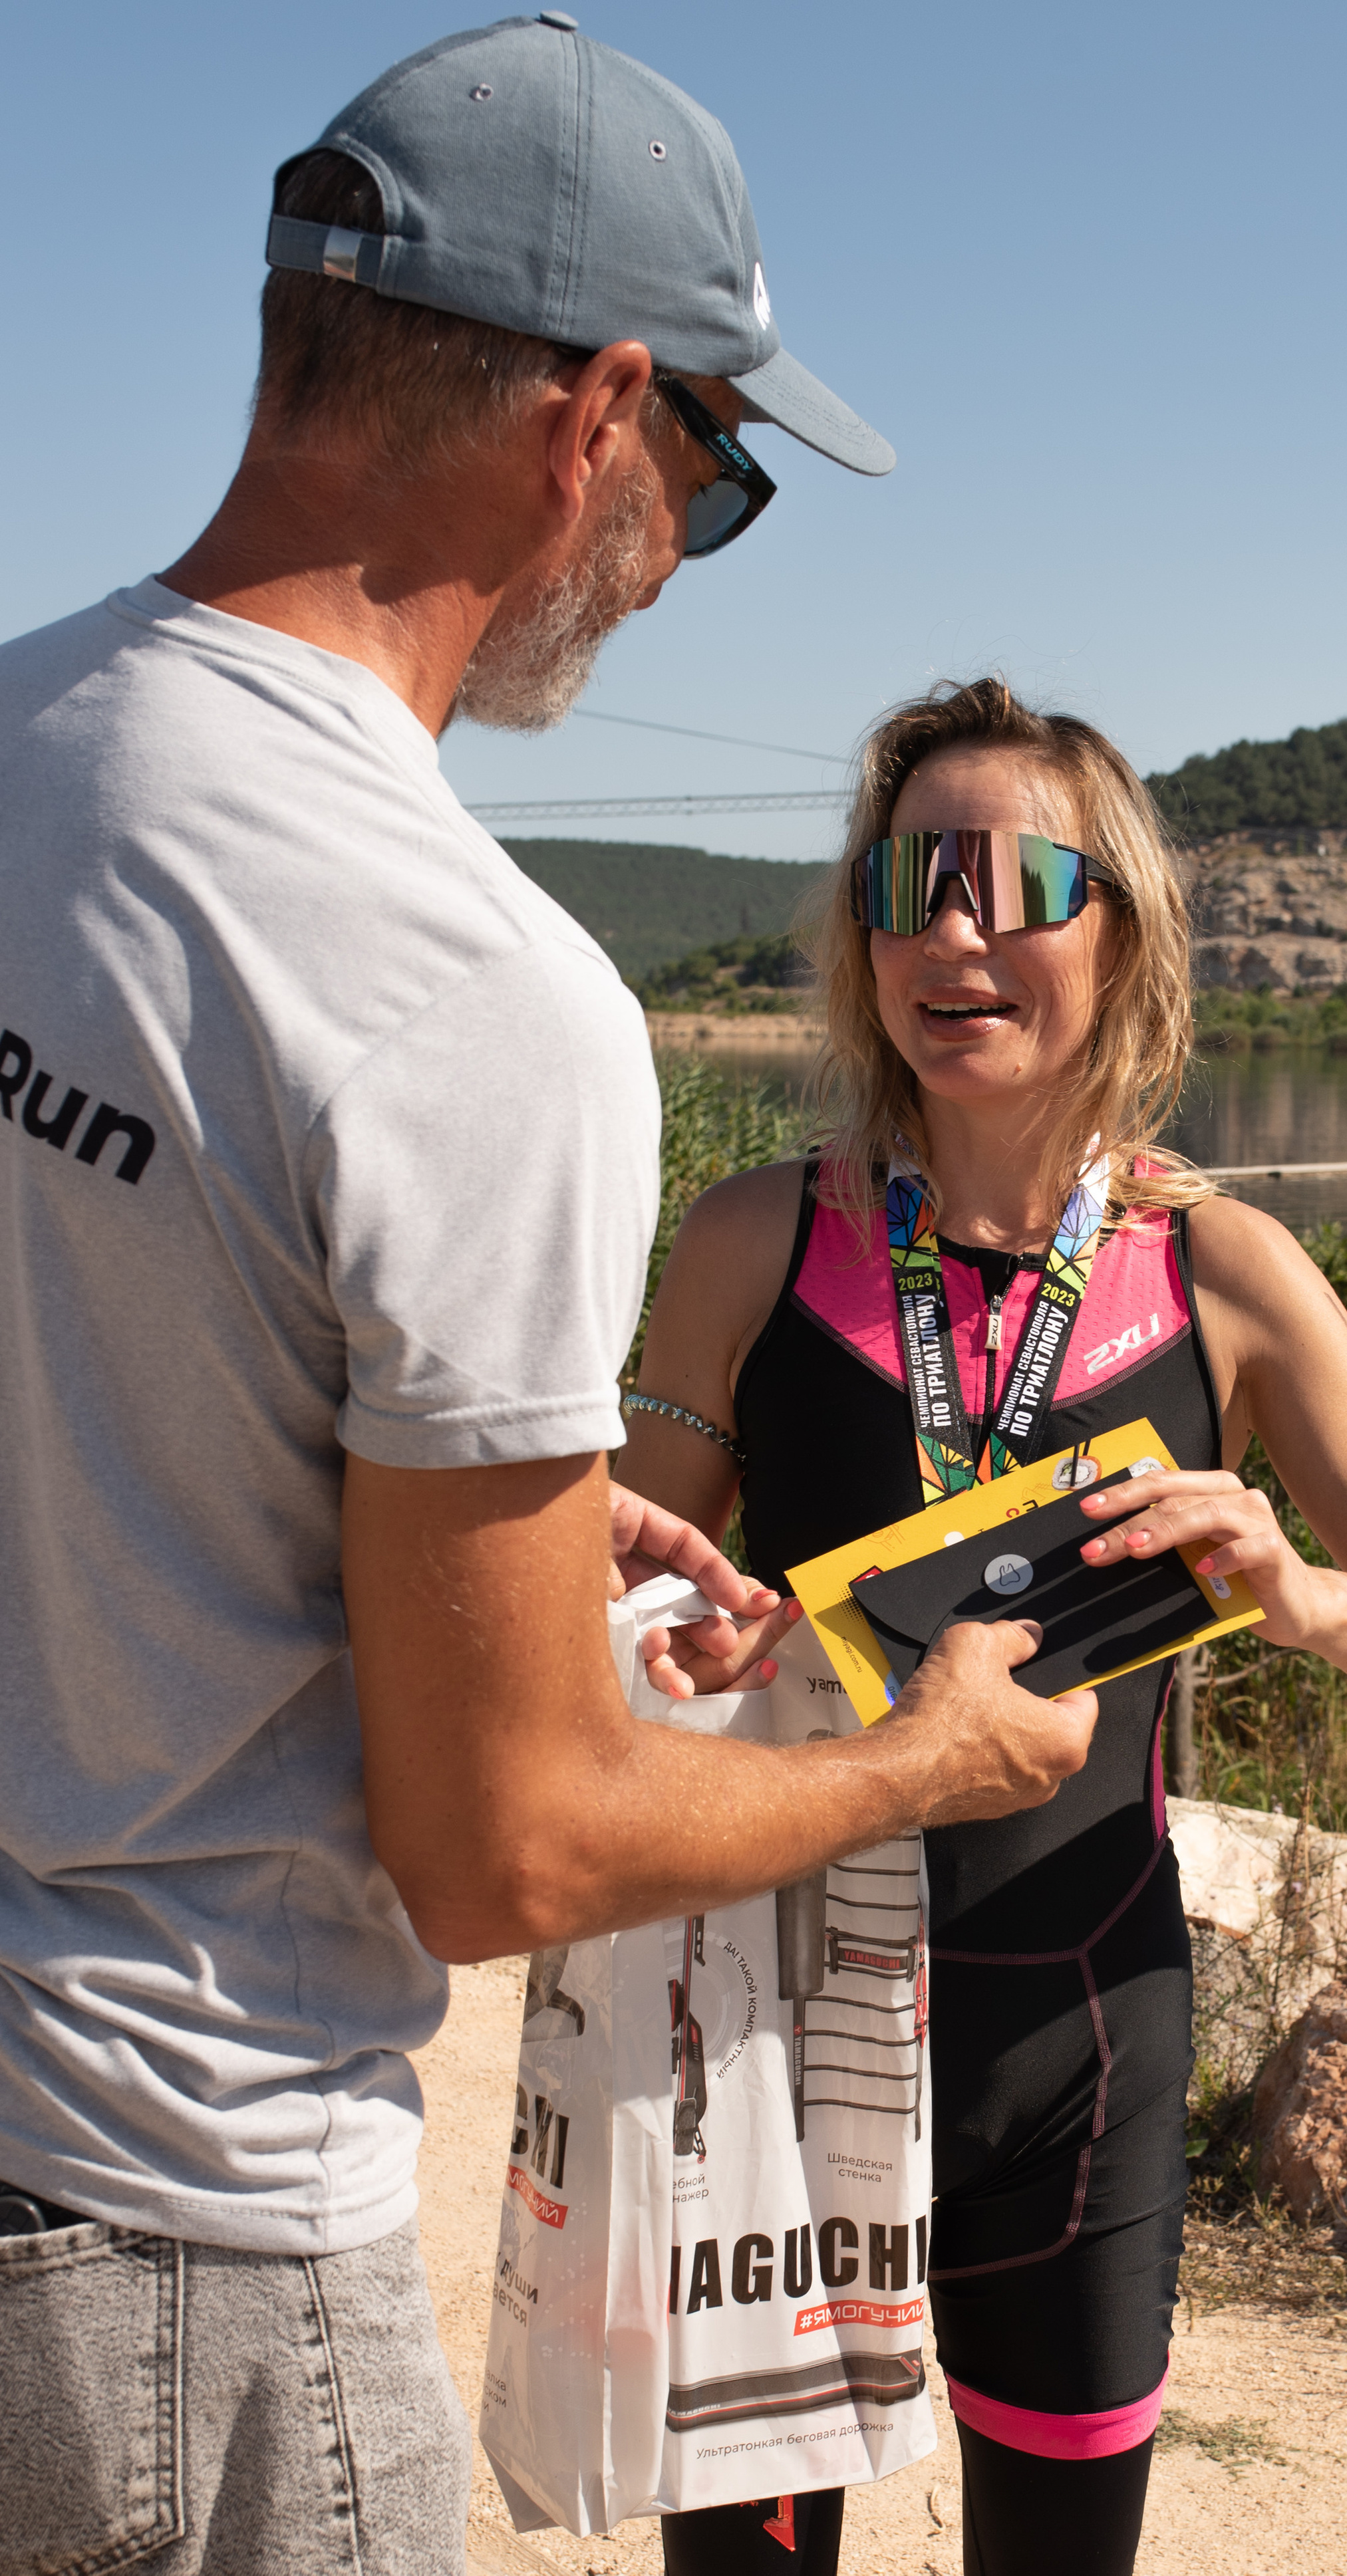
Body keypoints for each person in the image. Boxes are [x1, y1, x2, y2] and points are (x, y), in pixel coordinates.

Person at [0, 29, 1095, 2573]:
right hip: (176, 2230)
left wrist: (444, 1510)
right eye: (717, 475)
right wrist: (923, 1758)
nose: (686, 546)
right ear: (596, 416)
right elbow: (514, 1842)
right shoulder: (478, 994)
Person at [623, 676, 1347, 2576]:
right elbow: (614, 1602)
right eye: (909, 884)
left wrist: (1298, 1592)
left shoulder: (1225, 1275)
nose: (954, 934)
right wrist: (675, 1637)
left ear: (1118, 930)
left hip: (1082, 2048)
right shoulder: (751, 1244)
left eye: (1016, 883)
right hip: (776, 2045)